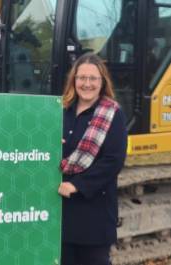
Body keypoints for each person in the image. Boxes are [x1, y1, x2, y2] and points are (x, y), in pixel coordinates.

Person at [58, 53, 127, 265]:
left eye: (93, 79)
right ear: (74, 80)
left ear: (102, 82)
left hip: (94, 215)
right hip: (61, 212)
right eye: (82, 78)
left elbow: (113, 161)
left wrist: (76, 185)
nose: (87, 84)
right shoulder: (61, 110)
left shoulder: (112, 114)